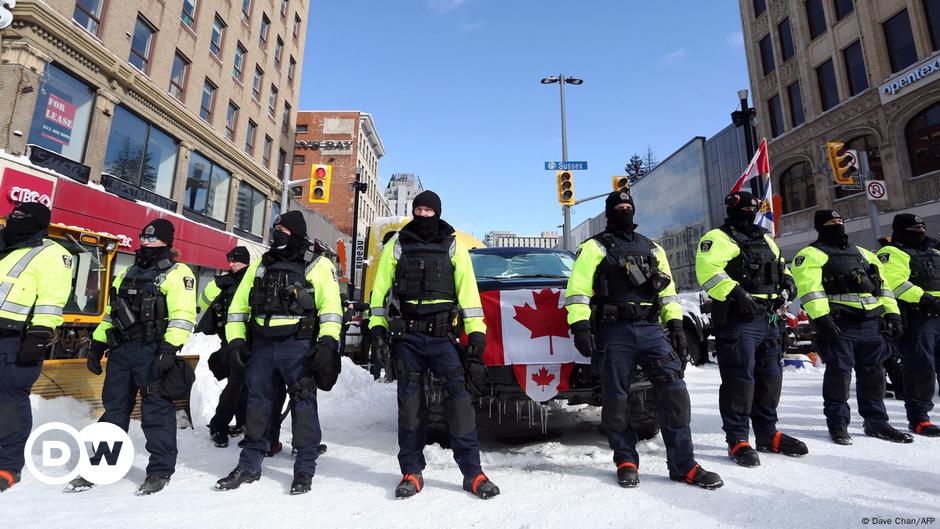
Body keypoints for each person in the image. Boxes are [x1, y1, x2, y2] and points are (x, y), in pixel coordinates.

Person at [565, 191, 722, 490]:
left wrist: (675, 325)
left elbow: (668, 292)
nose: (624, 210)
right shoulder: (594, 247)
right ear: (609, 212)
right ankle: (625, 461)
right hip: (614, 331)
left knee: (675, 393)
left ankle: (684, 465)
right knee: (616, 400)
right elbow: (578, 290)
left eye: (628, 206)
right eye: (619, 207)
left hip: (651, 330)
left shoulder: (653, 249)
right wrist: (580, 326)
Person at [368, 190, 499, 500]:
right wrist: (376, 329)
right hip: (408, 337)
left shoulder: (453, 244)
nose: (424, 215)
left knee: (460, 402)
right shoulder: (397, 244)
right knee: (410, 408)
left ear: (438, 212)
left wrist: (476, 332)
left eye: (429, 210)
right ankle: (411, 472)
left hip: (443, 337)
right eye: (419, 209)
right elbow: (380, 292)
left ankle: (473, 473)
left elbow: (468, 292)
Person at [215, 210, 342, 495]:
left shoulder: (317, 265)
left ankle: (304, 468)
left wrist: (327, 344)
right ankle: (249, 465)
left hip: (298, 347)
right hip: (261, 346)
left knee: (303, 406)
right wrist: (235, 341)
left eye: (282, 229)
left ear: (295, 233)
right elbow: (238, 308)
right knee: (258, 404)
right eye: (275, 228)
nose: (276, 233)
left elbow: (332, 310)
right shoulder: (261, 264)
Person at [68, 218, 197, 495]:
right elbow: (112, 313)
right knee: (114, 410)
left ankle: (160, 471)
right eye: (144, 237)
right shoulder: (128, 271)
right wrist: (98, 343)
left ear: (166, 241)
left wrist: (169, 349)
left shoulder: (178, 273)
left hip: (153, 352)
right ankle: (101, 465)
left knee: (156, 413)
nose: (147, 243)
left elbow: (183, 317)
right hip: (122, 352)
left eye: (153, 238)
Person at [695, 191, 807, 467]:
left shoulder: (765, 237)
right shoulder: (718, 238)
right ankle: (737, 439)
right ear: (732, 209)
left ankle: (767, 434)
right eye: (745, 208)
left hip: (768, 318)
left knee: (770, 378)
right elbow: (708, 270)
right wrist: (736, 294)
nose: (749, 212)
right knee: (739, 381)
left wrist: (789, 284)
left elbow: (781, 266)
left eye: (753, 208)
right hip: (738, 318)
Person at [791, 210, 912, 445]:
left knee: (874, 374)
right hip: (839, 324)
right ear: (820, 227)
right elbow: (809, 289)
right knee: (839, 375)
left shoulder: (865, 254)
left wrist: (893, 315)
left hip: (871, 324)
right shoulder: (811, 254)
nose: (837, 224)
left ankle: (877, 422)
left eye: (840, 221)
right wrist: (822, 318)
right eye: (831, 222)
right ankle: (837, 424)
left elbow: (883, 287)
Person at [0, 203, 72, 493]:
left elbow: (51, 298)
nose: (15, 221)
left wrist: (39, 335)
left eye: (23, 218)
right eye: (13, 215)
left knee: (8, 401)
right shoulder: (4, 246)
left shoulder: (53, 254)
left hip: (17, 340)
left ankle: (7, 465)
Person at [876, 214, 940, 437]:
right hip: (918, 316)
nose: (920, 229)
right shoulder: (891, 252)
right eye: (914, 227)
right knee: (920, 367)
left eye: (922, 225)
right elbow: (894, 282)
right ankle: (919, 417)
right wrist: (927, 300)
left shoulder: (935, 251)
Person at [200, 246, 251, 447]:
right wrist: (218, 284)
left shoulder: (253, 279)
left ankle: (242, 422)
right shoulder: (224, 282)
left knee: (245, 385)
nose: (230, 264)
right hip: (231, 342)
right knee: (236, 384)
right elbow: (204, 302)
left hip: (251, 341)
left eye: (235, 261)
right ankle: (219, 426)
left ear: (245, 261)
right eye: (229, 260)